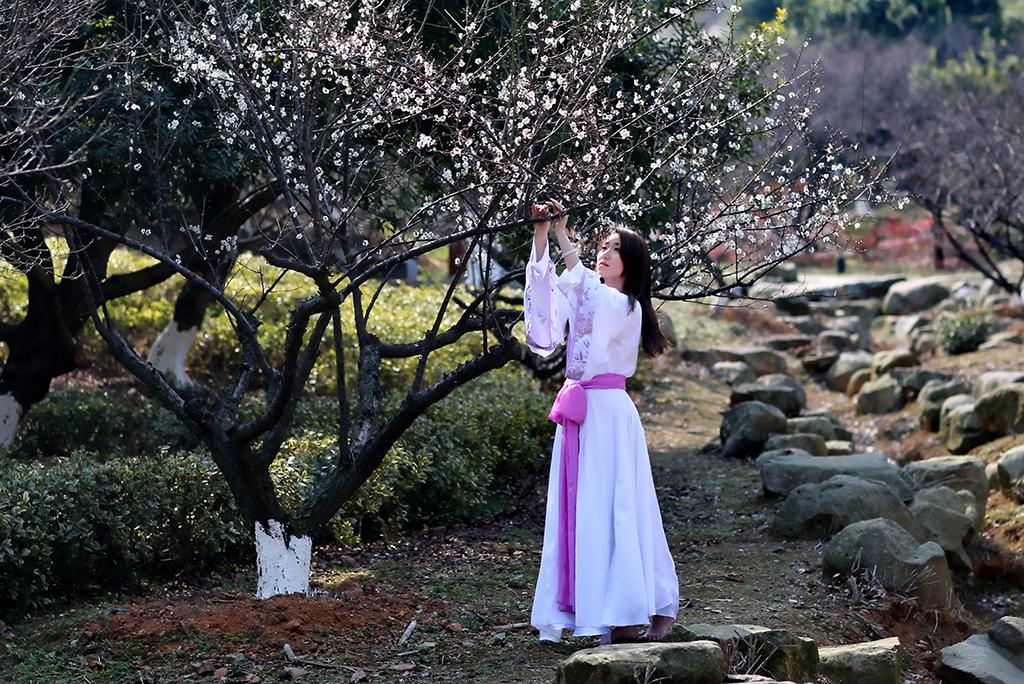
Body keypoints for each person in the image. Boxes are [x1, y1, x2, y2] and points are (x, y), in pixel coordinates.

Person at [524, 199, 679, 645]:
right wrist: (542, 236)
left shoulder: (624, 305)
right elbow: (547, 312)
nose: (605, 254)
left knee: (620, 509)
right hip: (580, 411)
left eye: (615, 250)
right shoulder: (594, 293)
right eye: (603, 247)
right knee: (584, 512)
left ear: (631, 264)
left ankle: (633, 610)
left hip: (609, 414)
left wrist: (562, 234)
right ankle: (603, 610)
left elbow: (587, 290)